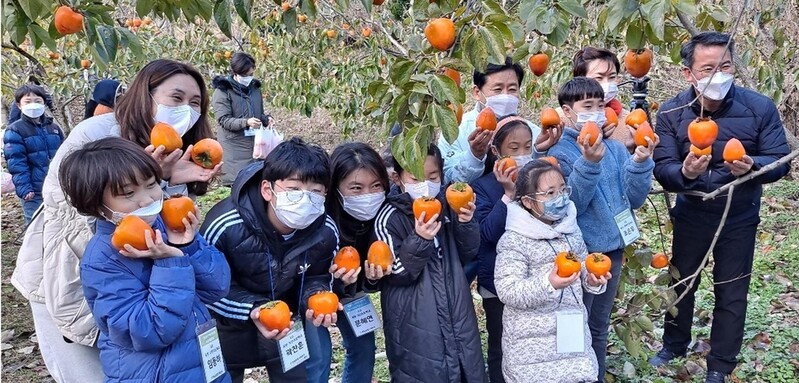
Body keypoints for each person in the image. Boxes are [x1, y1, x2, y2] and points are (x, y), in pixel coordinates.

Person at [10, 59, 220, 383]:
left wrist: (169, 185)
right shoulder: (97, 135)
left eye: (195, 103)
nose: (186, 110)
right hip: (69, 275)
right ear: (144, 94)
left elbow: (165, 231)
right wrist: (155, 180)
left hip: (154, 299)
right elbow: (77, 212)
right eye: (176, 98)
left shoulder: (173, 154)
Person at [649, 32, 790, 383]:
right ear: (689, 74)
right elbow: (662, 166)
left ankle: (721, 364)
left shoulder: (759, 108)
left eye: (725, 66)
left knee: (732, 289)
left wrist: (752, 166)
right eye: (708, 68)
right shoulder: (671, 112)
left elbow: (780, 161)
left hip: (739, 215)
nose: (718, 75)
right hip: (692, 213)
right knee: (681, 283)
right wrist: (683, 172)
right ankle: (674, 344)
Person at [58, 137, 231, 382]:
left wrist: (188, 246)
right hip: (153, 374)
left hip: (201, 364)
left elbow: (218, 287)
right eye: (129, 193)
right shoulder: (102, 260)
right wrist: (170, 263)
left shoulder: (164, 223)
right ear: (97, 205)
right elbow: (147, 331)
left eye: (151, 184)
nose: (148, 199)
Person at [200, 137, 340, 383]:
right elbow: (205, 285)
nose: (305, 200)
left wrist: (314, 297)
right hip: (227, 328)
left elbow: (318, 275)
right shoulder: (225, 225)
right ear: (268, 189)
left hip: (286, 326)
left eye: (316, 192)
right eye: (294, 189)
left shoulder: (324, 230)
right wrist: (253, 308)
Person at [547, 76, 657, 383]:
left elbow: (633, 198)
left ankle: (592, 376)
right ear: (567, 111)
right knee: (572, 323)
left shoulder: (615, 148)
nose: (595, 112)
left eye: (599, 105)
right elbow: (572, 206)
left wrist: (639, 161)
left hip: (612, 251)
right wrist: (588, 163)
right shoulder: (560, 153)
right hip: (579, 255)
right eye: (586, 106)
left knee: (598, 323)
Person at [374, 143, 487, 382]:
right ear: (399, 178)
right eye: (415, 178)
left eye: (432, 176)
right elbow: (396, 273)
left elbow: (467, 253)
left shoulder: (447, 203)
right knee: (424, 370)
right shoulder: (389, 217)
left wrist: (465, 222)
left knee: (466, 367)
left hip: (457, 311)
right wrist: (420, 238)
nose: (425, 185)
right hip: (415, 319)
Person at [494, 159, 611, 382]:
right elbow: (508, 290)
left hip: (572, 334)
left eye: (562, 190)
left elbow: (583, 267)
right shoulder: (514, 240)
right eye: (549, 193)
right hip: (532, 346)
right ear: (528, 202)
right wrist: (549, 283)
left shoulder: (570, 230)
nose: (559, 198)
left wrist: (593, 279)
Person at [469, 116, 535, 383]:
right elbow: (486, 233)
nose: (521, 155)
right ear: (496, 151)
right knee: (501, 343)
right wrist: (508, 195)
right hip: (497, 282)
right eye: (514, 148)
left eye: (527, 147)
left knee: (534, 342)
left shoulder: (538, 180)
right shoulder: (482, 187)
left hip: (535, 278)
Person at [437, 57, 561, 185]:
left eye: (512, 89)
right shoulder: (456, 131)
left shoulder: (534, 132)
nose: (506, 96)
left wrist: (537, 151)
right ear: (477, 92)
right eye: (497, 89)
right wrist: (474, 156)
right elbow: (447, 180)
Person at [3, 84, 64, 223]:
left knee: (57, 224)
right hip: (34, 190)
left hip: (56, 186)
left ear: (44, 103)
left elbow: (64, 156)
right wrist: (24, 188)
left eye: (38, 101)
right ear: (19, 105)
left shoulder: (53, 128)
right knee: (35, 225)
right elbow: (16, 162)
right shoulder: (15, 130)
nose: (33, 105)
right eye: (28, 101)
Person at [212, 52, 272, 186]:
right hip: (234, 148)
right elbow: (224, 120)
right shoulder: (223, 91)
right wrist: (246, 122)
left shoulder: (255, 89)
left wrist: (267, 119)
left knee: (255, 183)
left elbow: (259, 114)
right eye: (245, 75)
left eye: (251, 74)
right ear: (235, 72)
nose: (248, 78)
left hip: (255, 146)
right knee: (238, 185)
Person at [569, 47, 634, 150]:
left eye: (612, 77)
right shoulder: (564, 119)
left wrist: (632, 149)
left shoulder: (628, 122)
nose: (607, 83)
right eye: (598, 78)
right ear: (581, 80)